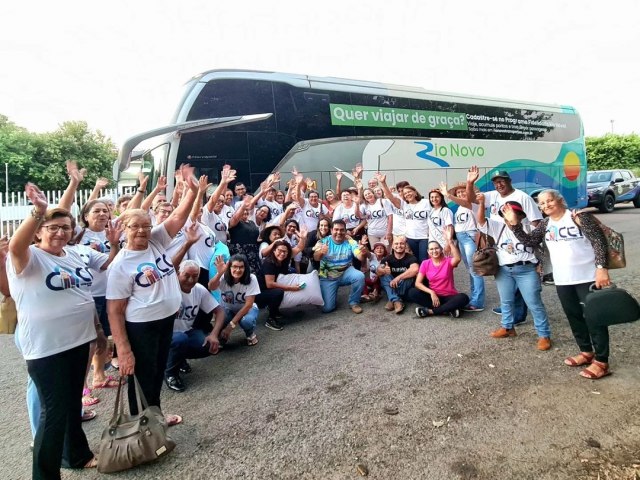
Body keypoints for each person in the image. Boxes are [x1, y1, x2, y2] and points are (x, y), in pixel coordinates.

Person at [7, 185, 105, 476]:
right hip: (47, 347)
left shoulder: (72, 255)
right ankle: (45, 474)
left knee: (72, 402)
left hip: (78, 341)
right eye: (52, 227)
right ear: (39, 231)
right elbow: (14, 246)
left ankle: (76, 454)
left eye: (65, 227)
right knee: (53, 415)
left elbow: (84, 295)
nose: (60, 232)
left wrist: (98, 331)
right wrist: (38, 210)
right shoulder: (28, 258)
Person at [107, 169, 198, 426]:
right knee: (143, 375)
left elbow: (179, 216)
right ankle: (141, 425)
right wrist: (123, 350)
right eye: (135, 226)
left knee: (156, 372)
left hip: (165, 319)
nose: (142, 231)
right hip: (141, 326)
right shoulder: (120, 265)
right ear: (123, 229)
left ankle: (154, 416)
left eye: (146, 225)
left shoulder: (156, 240)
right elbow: (114, 311)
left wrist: (191, 190)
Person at [504, 189, 612, 378]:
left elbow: (599, 241)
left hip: (587, 276)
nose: (545, 206)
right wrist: (514, 224)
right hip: (563, 279)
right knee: (574, 316)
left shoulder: (578, 217)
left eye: (549, 201)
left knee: (594, 317)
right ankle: (586, 352)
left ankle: (602, 361)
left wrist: (601, 268)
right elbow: (530, 241)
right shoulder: (546, 223)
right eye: (542, 204)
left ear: (560, 200)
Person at [474, 193, 552, 350]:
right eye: (506, 213)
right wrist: (482, 203)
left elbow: (544, 249)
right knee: (506, 301)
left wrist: (541, 267)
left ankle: (544, 335)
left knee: (534, 303)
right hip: (504, 270)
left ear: (521, 215)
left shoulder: (529, 228)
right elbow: (481, 221)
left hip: (527, 270)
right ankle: (508, 327)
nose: (509, 216)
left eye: (513, 213)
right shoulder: (498, 227)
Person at [468, 167, 539, 323]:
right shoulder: (493, 195)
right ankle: (510, 312)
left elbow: (536, 222)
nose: (498, 185)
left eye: (501, 181)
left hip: (521, 241)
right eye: (496, 182)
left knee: (521, 281)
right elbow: (471, 200)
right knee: (507, 278)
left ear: (509, 181)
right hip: (500, 238)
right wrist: (470, 182)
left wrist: (532, 243)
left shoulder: (523, 197)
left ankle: (519, 314)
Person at [165, 260, 225, 392]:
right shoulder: (167, 289)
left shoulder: (199, 289)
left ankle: (178, 359)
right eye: (186, 275)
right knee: (180, 339)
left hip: (186, 332)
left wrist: (214, 334)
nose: (191, 280)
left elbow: (219, 311)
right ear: (178, 274)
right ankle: (170, 374)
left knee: (209, 346)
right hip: (165, 335)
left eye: (195, 276)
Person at [439, 182, 485, 312]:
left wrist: (447, 195)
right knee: (470, 269)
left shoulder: (473, 203)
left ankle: (478, 302)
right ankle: (474, 297)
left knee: (475, 269)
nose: (460, 194)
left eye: (463, 192)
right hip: (461, 238)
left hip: (469, 237)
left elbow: (466, 203)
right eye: (458, 193)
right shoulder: (459, 208)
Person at [407, 234, 470, 318]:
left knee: (463, 298)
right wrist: (431, 292)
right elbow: (418, 283)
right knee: (412, 292)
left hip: (449, 296)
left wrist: (450, 242)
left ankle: (431, 311)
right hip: (433, 297)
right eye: (431, 249)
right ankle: (448, 309)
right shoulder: (425, 263)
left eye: (436, 248)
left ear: (441, 250)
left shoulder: (448, 262)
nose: (434, 251)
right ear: (428, 252)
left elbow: (458, 258)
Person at [313, 219, 367, 314]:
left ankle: (354, 302)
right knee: (327, 308)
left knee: (359, 276)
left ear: (345, 231)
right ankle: (329, 295)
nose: (339, 232)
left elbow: (359, 257)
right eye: (336, 229)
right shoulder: (323, 241)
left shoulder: (350, 241)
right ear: (331, 230)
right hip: (328, 277)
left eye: (342, 230)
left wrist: (362, 253)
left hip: (345, 272)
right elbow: (316, 258)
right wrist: (321, 252)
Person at [208, 254, 261, 346]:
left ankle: (250, 333)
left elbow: (248, 305)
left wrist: (230, 326)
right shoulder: (223, 276)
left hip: (247, 309)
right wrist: (219, 273)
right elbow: (211, 287)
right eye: (235, 267)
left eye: (241, 267)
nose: (238, 270)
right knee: (222, 317)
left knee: (246, 321)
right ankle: (221, 336)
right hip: (228, 309)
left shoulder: (252, 278)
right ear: (229, 267)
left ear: (246, 268)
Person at [377, 174, 431, 263]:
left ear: (415, 192)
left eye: (409, 192)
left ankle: (425, 277)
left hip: (424, 237)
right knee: (414, 259)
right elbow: (391, 197)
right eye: (405, 193)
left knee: (423, 260)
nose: (407, 194)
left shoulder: (426, 202)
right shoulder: (404, 205)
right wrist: (383, 183)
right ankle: (416, 276)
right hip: (410, 237)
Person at [260, 240, 307, 331]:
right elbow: (269, 284)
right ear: (274, 250)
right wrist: (291, 288)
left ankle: (276, 311)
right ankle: (270, 319)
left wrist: (303, 237)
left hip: (269, 288)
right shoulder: (269, 262)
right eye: (279, 250)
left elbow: (299, 248)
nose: (282, 253)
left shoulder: (285, 258)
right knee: (278, 292)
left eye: (285, 251)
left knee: (291, 272)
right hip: (260, 293)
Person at [378, 236, 419, 314]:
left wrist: (398, 278)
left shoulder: (411, 258)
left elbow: (415, 269)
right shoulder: (387, 259)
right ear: (393, 246)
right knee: (384, 275)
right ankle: (396, 300)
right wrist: (383, 270)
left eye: (401, 243)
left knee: (409, 275)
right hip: (391, 284)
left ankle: (391, 298)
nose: (399, 246)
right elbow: (378, 271)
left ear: (405, 245)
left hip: (404, 285)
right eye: (396, 244)